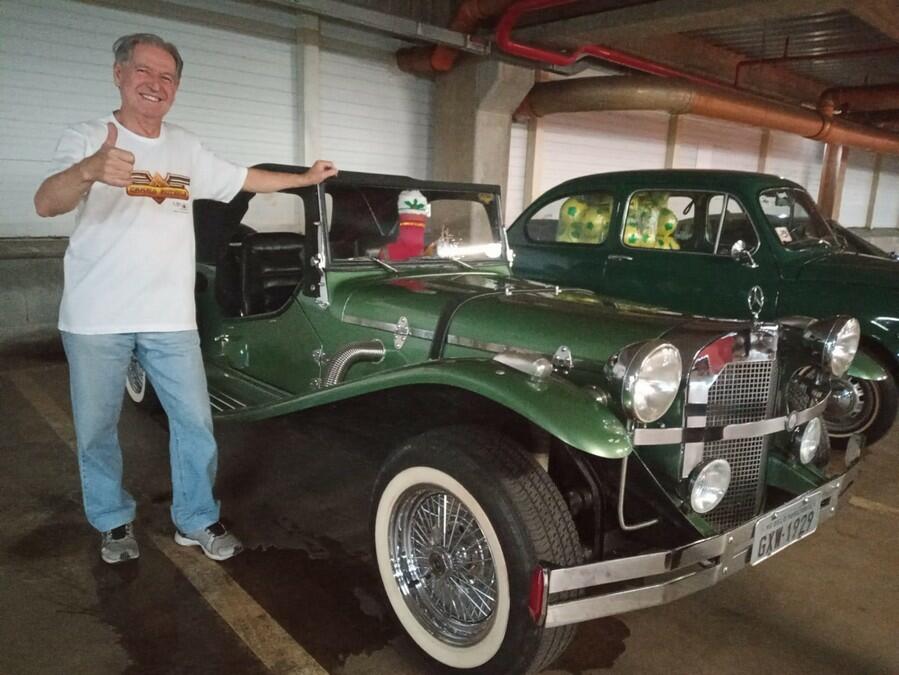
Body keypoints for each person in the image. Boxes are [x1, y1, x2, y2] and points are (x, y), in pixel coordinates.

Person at [33, 33, 338, 564]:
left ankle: (195, 518)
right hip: (95, 317)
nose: (156, 85)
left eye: (167, 77)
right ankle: (112, 521)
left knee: (195, 422)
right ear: (120, 74)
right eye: (144, 72)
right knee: (97, 430)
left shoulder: (186, 147)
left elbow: (244, 178)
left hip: (170, 317)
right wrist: (88, 170)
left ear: (175, 88)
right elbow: (45, 203)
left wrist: (305, 179)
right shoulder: (87, 136)